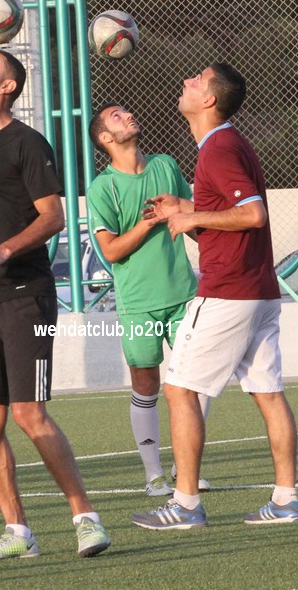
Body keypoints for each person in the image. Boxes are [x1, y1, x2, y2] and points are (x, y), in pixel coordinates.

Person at [0, 49, 111, 561]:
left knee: (30, 413)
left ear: (8, 86)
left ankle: (86, 519)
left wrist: (3, 250)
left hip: (25, 298)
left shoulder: (27, 142)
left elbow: (52, 216)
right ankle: (17, 531)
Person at [132, 63, 298, 529]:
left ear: (209, 99)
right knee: (269, 394)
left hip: (228, 291)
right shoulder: (227, 143)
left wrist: (192, 219)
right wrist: (186, 207)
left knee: (179, 389)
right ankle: (285, 500)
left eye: (196, 80)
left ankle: (185, 505)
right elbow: (230, 211)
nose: (186, 82)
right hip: (259, 290)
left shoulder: (219, 148)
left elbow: (252, 214)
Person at [86, 103, 210, 497]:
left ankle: (185, 466)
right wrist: (149, 221)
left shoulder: (166, 165)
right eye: (116, 117)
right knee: (146, 384)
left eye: (126, 111)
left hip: (183, 295)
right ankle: (154, 474)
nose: (128, 116)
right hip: (138, 304)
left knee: (195, 379)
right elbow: (110, 251)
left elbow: (192, 218)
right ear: (105, 138)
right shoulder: (102, 188)